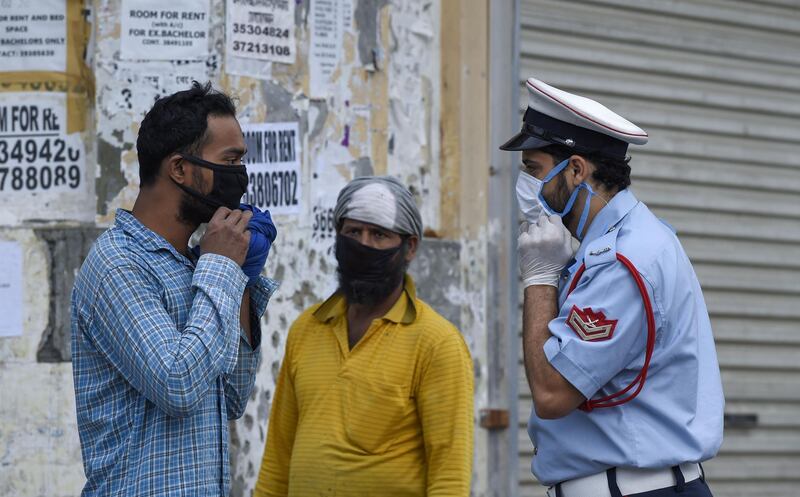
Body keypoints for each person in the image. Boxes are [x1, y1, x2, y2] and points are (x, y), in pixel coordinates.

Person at [500, 77, 724, 497]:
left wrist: (539, 279)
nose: (524, 184)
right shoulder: (622, 243)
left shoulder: (622, 260)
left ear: (577, 169)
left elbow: (552, 394)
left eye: (533, 168)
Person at [71, 82, 278, 497]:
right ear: (180, 169)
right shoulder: (119, 264)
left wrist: (240, 279)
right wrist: (221, 267)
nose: (240, 176)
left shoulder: (193, 263)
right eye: (230, 160)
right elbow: (178, 384)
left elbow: (230, 396)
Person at [254, 176, 474, 497]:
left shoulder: (437, 343)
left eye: (380, 234)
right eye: (353, 232)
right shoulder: (306, 329)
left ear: (409, 247)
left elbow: (449, 478)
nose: (364, 245)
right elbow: (277, 459)